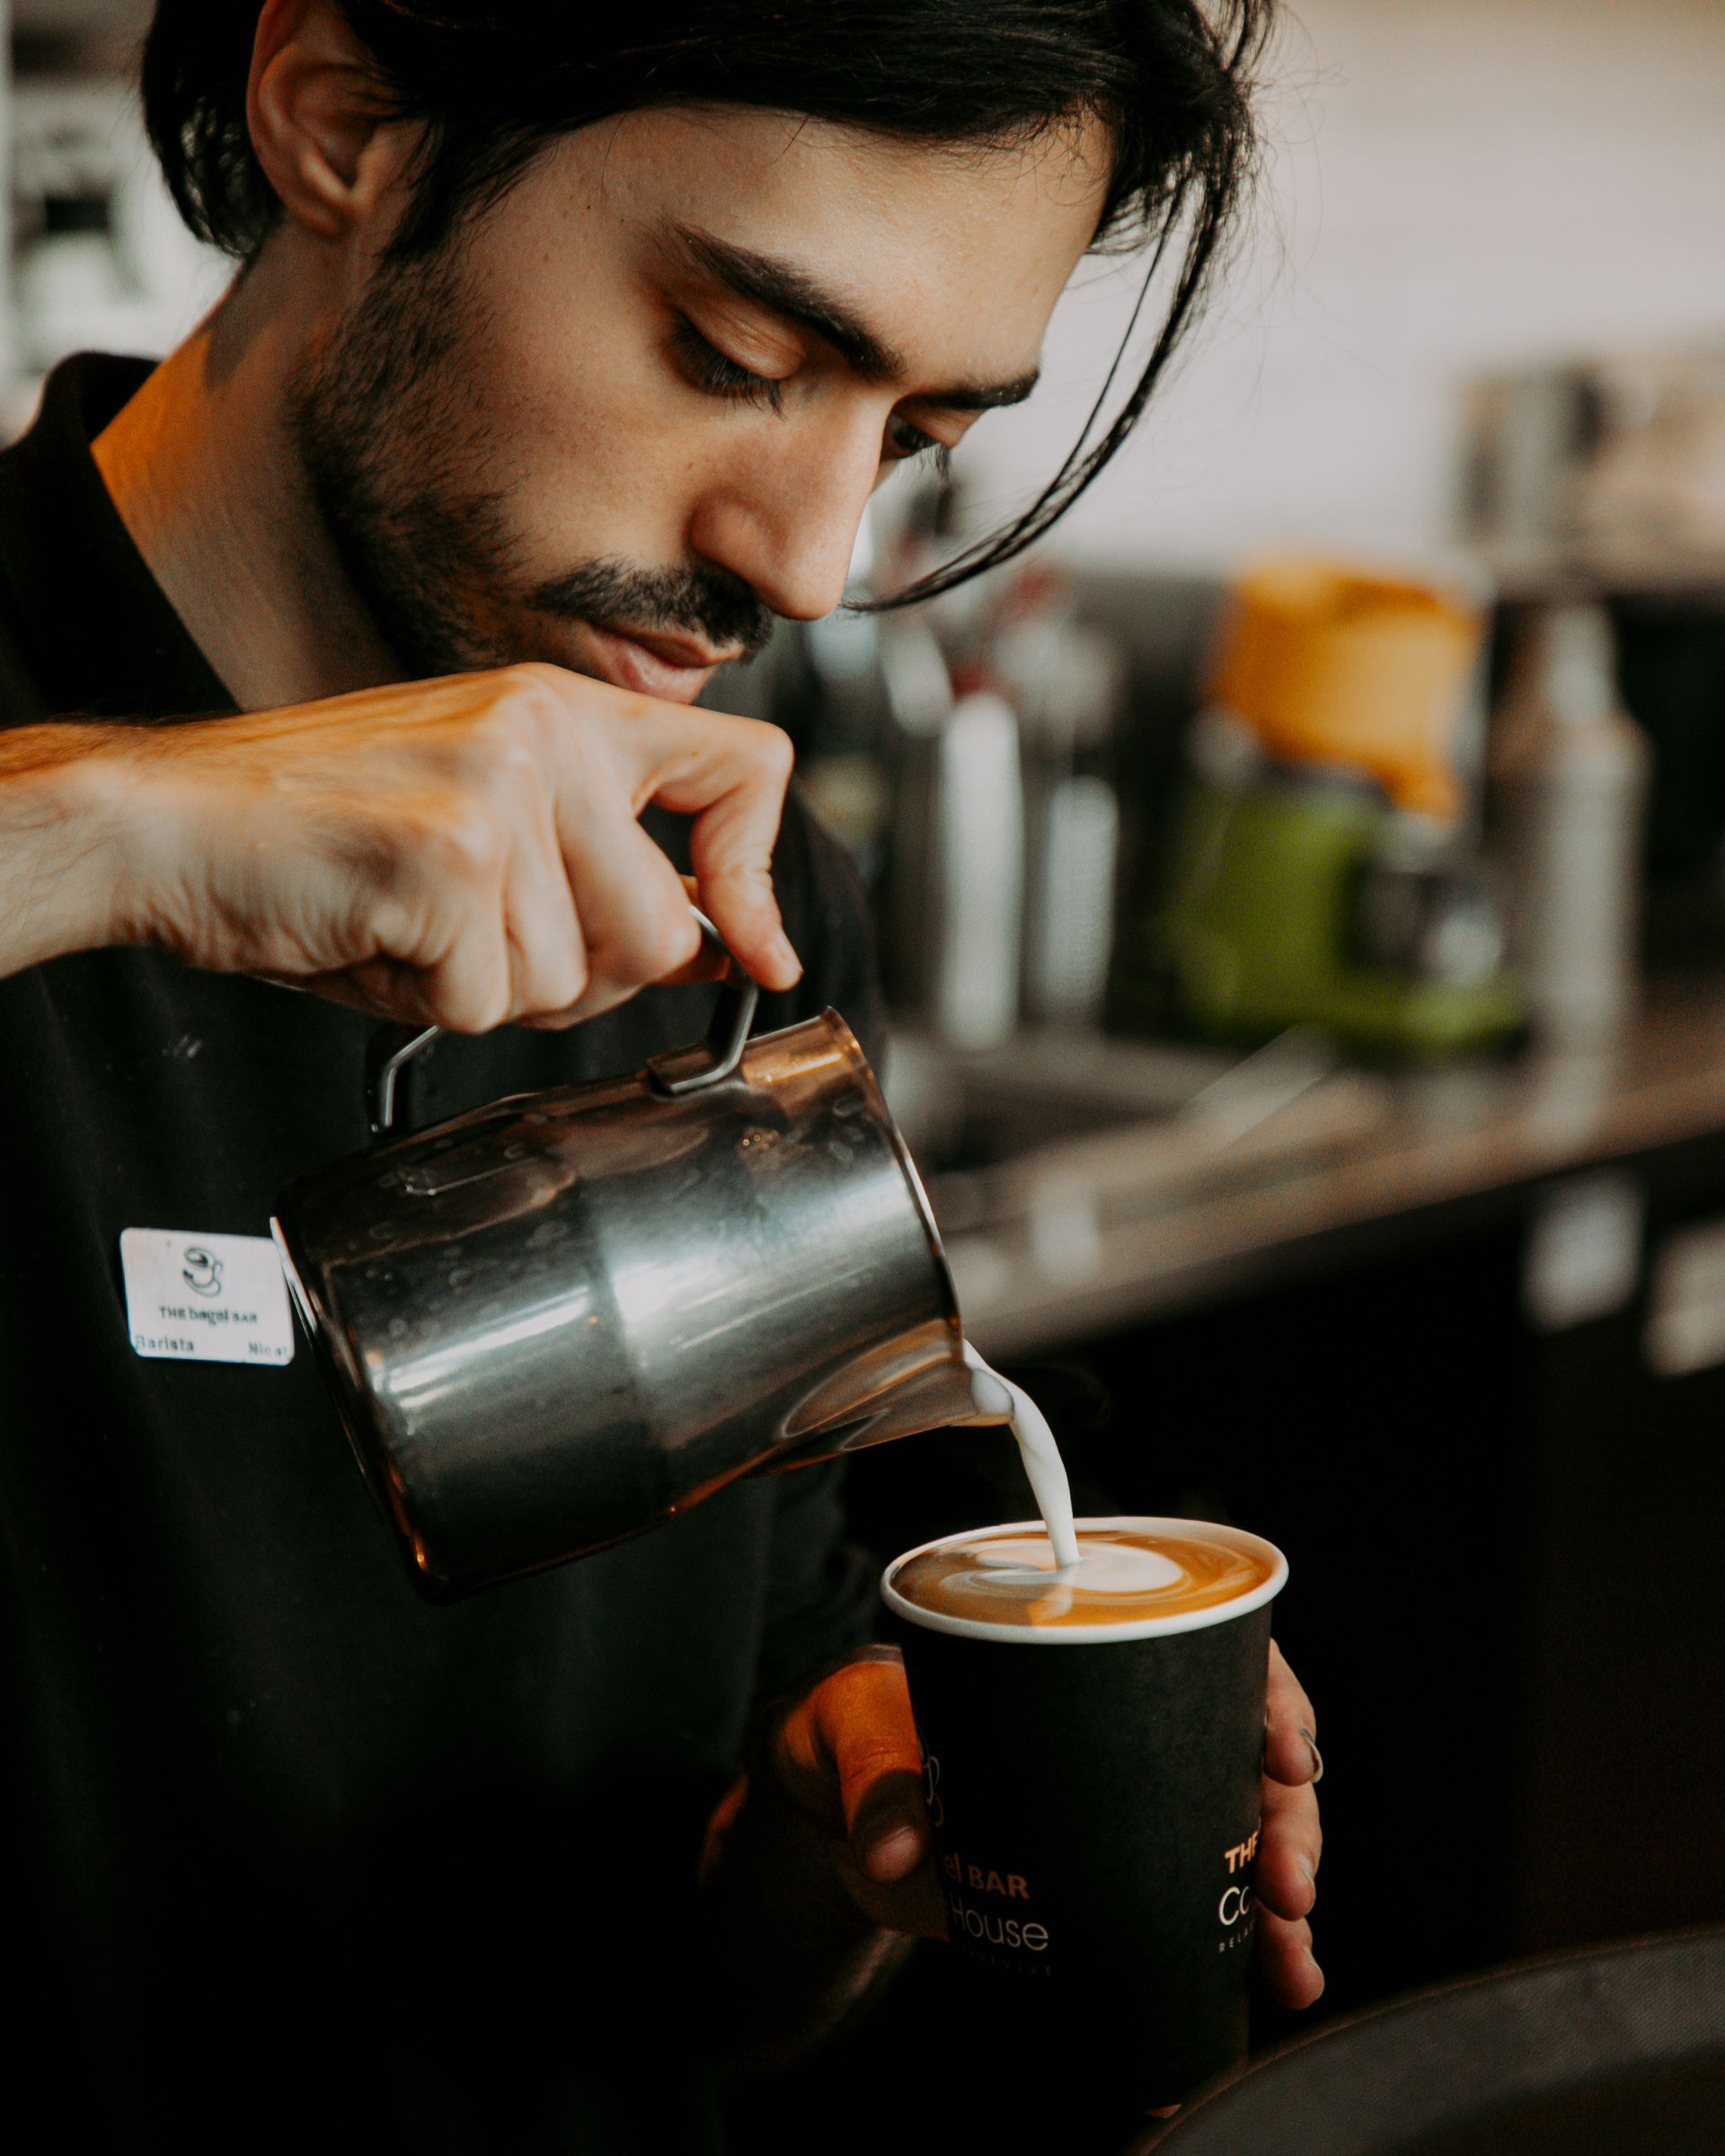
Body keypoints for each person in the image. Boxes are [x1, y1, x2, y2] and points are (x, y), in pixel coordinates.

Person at [0, 2, 1322, 2147]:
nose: (808, 564)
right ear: (345, 119)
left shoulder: (739, 880)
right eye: (734, 351)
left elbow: (687, 1998)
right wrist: (120, 828)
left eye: (907, 439)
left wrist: (847, 1859)